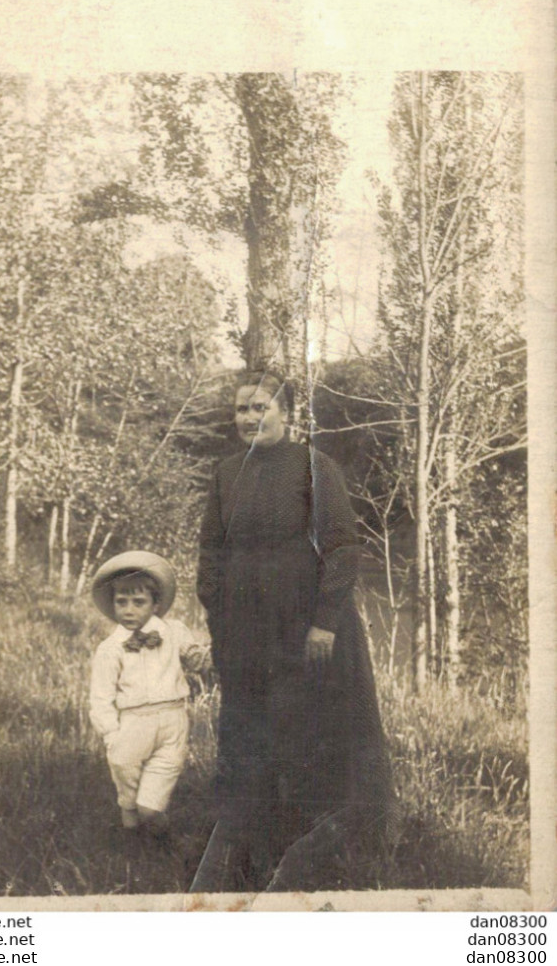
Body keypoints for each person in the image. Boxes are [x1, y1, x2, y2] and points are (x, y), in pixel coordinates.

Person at [193, 371, 394, 890]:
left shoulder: (313, 467)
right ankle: (243, 846)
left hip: (303, 630)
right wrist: (215, 611)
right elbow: (211, 550)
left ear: (287, 414)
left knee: (300, 735)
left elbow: (343, 547)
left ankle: (305, 853)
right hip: (243, 631)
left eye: (260, 407)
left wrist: (325, 622)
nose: (249, 418)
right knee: (244, 735)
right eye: (241, 409)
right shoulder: (225, 473)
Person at [89, 550, 209, 841]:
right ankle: (132, 838)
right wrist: (111, 734)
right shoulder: (111, 648)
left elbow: (198, 662)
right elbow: (100, 697)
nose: (129, 610)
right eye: (121, 602)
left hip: (173, 720)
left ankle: (159, 835)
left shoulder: (175, 631)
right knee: (127, 786)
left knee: (151, 805)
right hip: (132, 723)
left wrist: (205, 653)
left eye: (138, 602)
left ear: (156, 604)